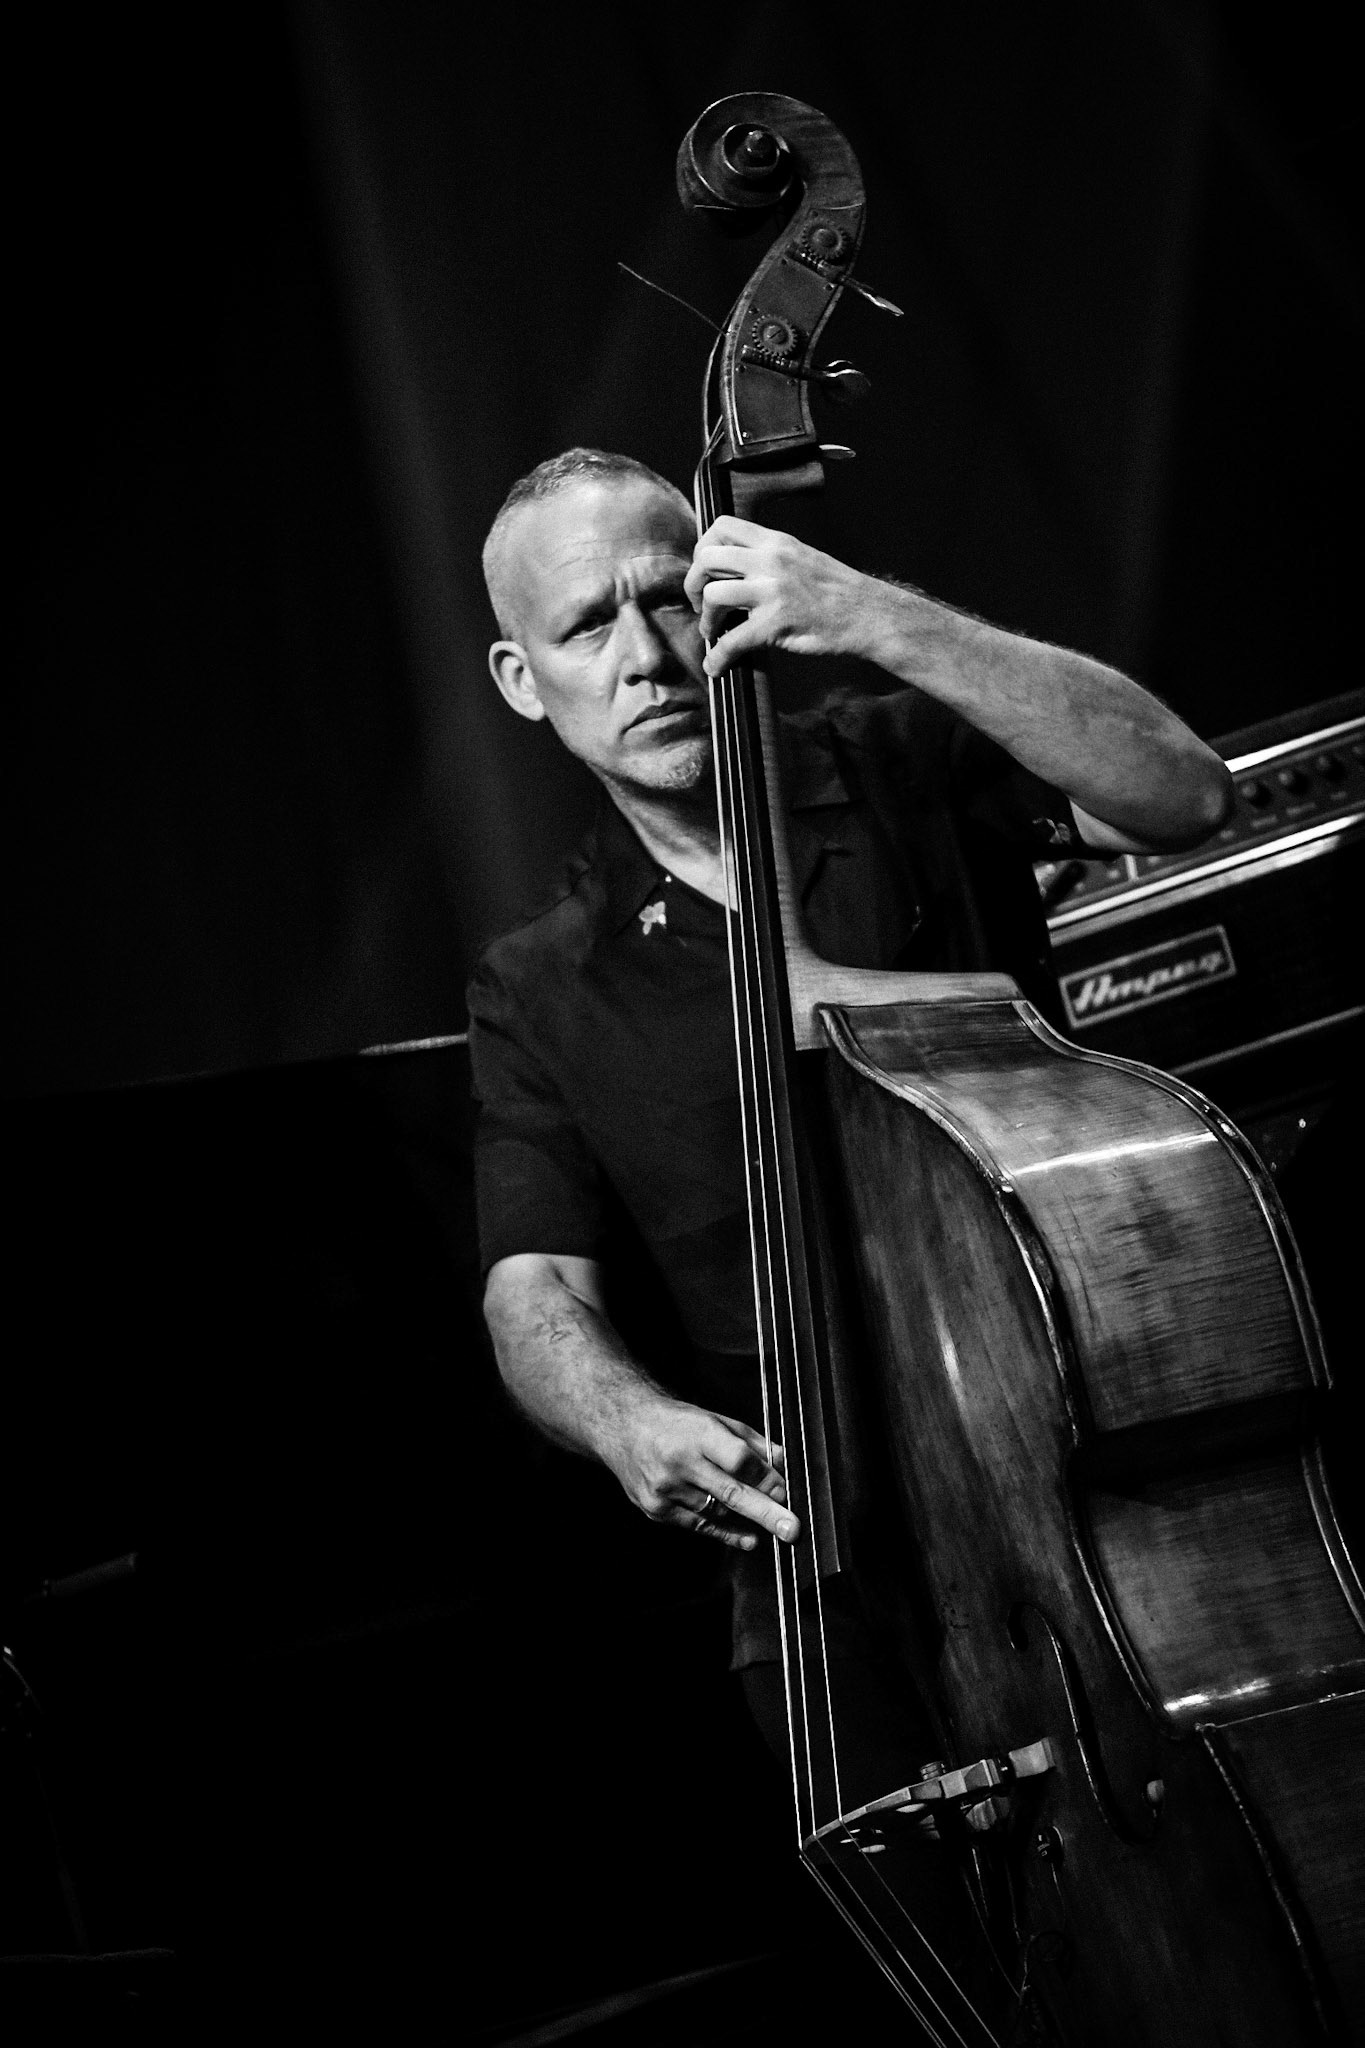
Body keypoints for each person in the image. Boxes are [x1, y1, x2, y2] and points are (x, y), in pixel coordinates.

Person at [467, 444, 1231, 1770]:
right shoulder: (539, 984)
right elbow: (530, 1288)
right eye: (588, 626)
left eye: (668, 596)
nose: (646, 656)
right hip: (825, 1577)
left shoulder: (901, 763)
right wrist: (616, 1415)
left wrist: (875, 614)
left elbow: (1181, 790)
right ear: (522, 681)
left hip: (1094, 1482)